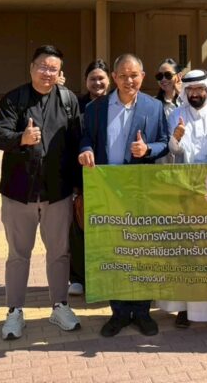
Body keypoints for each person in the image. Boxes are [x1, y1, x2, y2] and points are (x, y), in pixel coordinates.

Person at [0, 45, 83, 340]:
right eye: (43, 67)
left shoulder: (68, 100)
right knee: (18, 254)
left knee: (59, 253)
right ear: (32, 68)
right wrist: (21, 138)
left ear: (60, 73)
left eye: (53, 69)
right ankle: (14, 311)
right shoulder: (13, 99)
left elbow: (76, 142)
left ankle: (60, 306)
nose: (47, 73)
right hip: (19, 192)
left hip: (57, 192)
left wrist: (77, 188)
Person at [79, 53, 170, 337]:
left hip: (140, 188)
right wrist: (86, 149)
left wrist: (148, 149)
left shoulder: (154, 107)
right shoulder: (95, 108)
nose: (129, 81)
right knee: (114, 250)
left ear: (143, 76)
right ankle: (118, 312)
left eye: (134, 75)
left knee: (141, 251)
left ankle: (142, 312)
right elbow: (85, 137)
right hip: (107, 188)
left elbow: (165, 142)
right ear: (114, 78)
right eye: (123, 76)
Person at [159, 70, 207, 332]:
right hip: (185, 196)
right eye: (190, 90)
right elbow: (172, 153)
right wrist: (176, 138)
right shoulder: (174, 117)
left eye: (199, 89)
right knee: (185, 254)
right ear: (184, 92)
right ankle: (184, 308)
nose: (195, 94)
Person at [69, 59, 111, 297]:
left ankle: (106, 274)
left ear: (109, 80)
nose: (97, 83)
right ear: (86, 81)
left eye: (101, 78)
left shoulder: (116, 103)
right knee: (79, 228)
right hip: (82, 175)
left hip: (109, 177)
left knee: (107, 229)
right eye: (92, 78)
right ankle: (78, 278)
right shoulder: (76, 105)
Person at [155, 58, 184, 123]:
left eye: (168, 75)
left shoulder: (189, 100)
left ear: (179, 76)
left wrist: (181, 94)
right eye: (160, 76)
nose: (163, 79)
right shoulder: (154, 104)